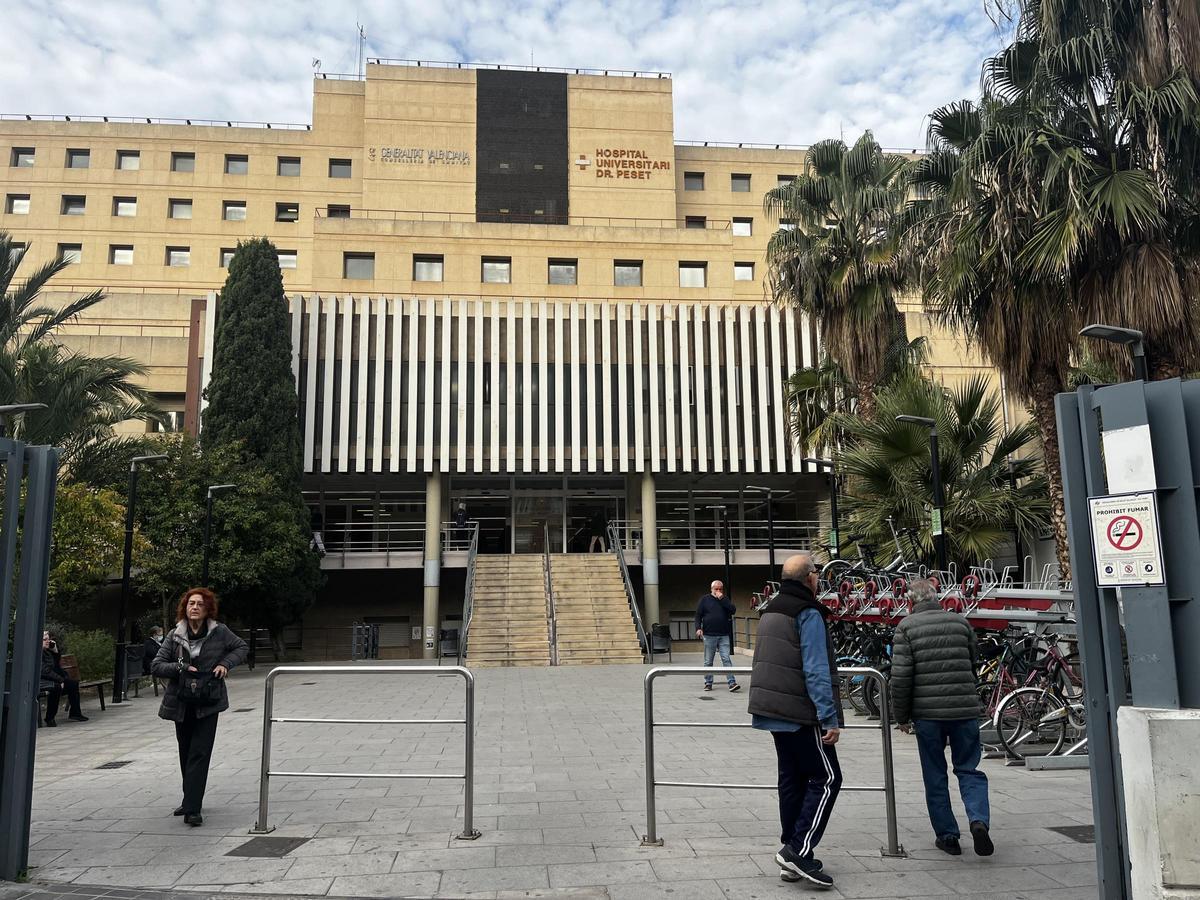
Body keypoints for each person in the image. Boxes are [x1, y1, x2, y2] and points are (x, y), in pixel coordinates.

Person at [747, 553, 842, 889]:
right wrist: (828, 716)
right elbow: (815, 668)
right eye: (816, 572)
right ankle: (798, 851)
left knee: (792, 779)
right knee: (828, 777)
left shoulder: (771, 608)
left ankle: (791, 853)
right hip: (800, 710)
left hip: (773, 708)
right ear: (810, 578)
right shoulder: (808, 611)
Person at [890, 578, 994, 857]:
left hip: (929, 715)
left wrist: (901, 716)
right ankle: (978, 820)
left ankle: (948, 836)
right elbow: (972, 660)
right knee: (969, 769)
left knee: (935, 774)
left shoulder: (907, 628)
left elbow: (900, 678)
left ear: (910, 602)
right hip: (964, 710)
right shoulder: (960, 623)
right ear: (936, 598)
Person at [151, 587, 248, 827]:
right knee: (186, 753)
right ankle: (189, 798)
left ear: (207, 610)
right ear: (185, 607)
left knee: (199, 753)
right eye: (191, 603)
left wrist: (226, 663)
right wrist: (179, 667)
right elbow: (157, 665)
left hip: (208, 701)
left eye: (199, 604)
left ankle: (193, 809)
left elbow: (241, 648)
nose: (194, 607)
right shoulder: (176, 634)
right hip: (181, 702)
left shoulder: (220, 631)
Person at [694, 580, 739, 692]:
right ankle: (708, 682)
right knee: (708, 660)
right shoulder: (704, 599)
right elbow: (698, 615)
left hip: (723, 634)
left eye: (720, 589)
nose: (718, 591)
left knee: (726, 659)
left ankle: (731, 683)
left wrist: (722, 598)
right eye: (716, 589)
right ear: (711, 589)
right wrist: (698, 628)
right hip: (709, 635)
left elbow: (733, 610)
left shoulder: (725, 599)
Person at [40, 631, 87, 726]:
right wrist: (60, 680)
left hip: (51, 679)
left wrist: (55, 650)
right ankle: (50, 718)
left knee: (73, 684)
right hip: (42, 681)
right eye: (45, 640)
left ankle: (75, 713)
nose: (47, 641)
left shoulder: (47, 651)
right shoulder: (37, 653)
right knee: (56, 688)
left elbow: (56, 665)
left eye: (48, 639)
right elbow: (45, 671)